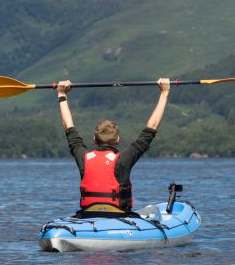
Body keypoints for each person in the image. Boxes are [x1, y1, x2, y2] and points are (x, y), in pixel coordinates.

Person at [56, 78, 171, 216]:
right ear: (117, 140)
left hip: (88, 214)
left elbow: (68, 127)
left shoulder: (83, 157)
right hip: (119, 216)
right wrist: (164, 92)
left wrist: (62, 94)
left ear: (94, 139)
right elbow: (151, 128)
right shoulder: (123, 160)